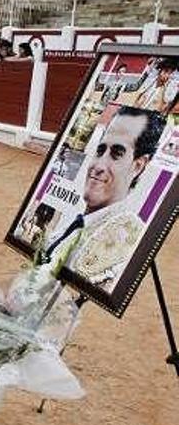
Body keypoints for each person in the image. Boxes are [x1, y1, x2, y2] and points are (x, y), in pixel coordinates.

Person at [45, 106, 167, 291]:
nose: (99, 165)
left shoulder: (124, 237)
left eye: (117, 154)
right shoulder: (73, 221)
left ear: (138, 166)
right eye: (100, 151)